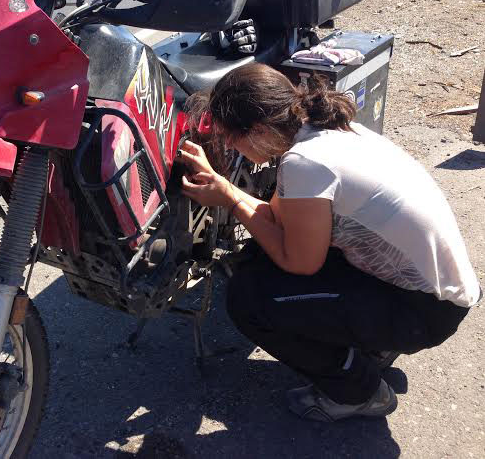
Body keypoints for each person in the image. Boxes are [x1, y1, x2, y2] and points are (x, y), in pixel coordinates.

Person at [178, 63, 481, 422]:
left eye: (232, 138)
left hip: (424, 311)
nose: (230, 147)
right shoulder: (322, 132)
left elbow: (299, 263)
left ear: (258, 130)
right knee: (259, 258)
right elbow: (277, 220)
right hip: (427, 290)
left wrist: (228, 198)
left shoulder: (305, 163)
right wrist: (223, 187)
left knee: (250, 301)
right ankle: (374, 343)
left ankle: (359, 392)